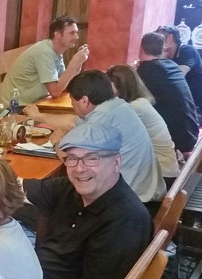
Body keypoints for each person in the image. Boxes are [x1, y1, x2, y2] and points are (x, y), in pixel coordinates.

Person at [21, 123, 152, 279]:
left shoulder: (124, 219)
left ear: (116, 162)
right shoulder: (71, 188)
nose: (80, 168)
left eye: (93, 158)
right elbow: (14, 188)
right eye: (72, 158)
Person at [26, 70, 164, 203]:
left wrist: (56, 144)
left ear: (84, 101)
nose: (72, 105)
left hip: (130, 200)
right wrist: (39, 116)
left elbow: (72, 160)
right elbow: (72, 121)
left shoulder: (102, 119)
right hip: (143, 191)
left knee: (46, 197)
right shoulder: (117, 106)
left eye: (72, 101)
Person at [106, 64, 181, 186]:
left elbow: (108, 133)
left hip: (161, 176)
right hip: (165, 170)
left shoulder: (135, 107)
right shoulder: (141, 102)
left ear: (122, 88)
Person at [0, 15, 89, 106]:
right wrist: (73, 64)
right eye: (72, 33)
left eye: (76, 32)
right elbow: (55, 92)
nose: (76, 37)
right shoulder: (44, 52)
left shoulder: (56, 52)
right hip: (14, 108)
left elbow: (65, 86)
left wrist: (78, 64)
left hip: (34, 103)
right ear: (57, 34)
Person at [137, 32, 199, 156]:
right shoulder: (172, 65)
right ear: (162, 49)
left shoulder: (145, 70)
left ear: (141, 49)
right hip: (191, 133)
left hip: (176, 140)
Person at [157, 25, 202, 126]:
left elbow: (178, 77)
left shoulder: (187, 51)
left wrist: (158, 58)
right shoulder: (168, 57)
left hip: (198, 111)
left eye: (159, 39)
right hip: (181, 108)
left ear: (170, 38)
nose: (156, 44)